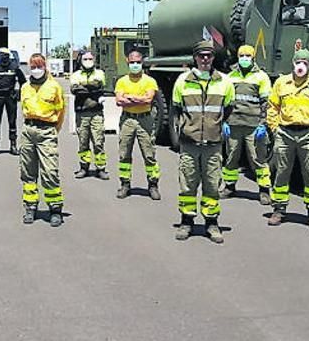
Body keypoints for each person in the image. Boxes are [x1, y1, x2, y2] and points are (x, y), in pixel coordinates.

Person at [171, 41, 234, 243]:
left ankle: (212, 223)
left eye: (209, 55)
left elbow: (228, 110)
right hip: (189, 144)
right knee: (187, 185)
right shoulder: (182, 81)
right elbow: (176, 110)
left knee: (212, 185)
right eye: (201, 56)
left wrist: (216, 127)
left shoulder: (225, 82)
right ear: (195, 58)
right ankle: (186, 222)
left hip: (213, 144)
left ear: (214, 58)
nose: (205, 59)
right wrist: (184, 132)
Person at [267, 48, 309, 231]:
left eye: (305, 62)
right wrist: (274, 128)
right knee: (281, 173)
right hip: (284, 134)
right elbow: (273, 106)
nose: (301, 65)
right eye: (298, 62)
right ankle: (278, 210)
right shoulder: (281, 83)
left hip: (308, 134)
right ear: (293, 63)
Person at [222, 44, 273, 204]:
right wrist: (224, 121)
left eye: (248, 56)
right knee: (231, 157)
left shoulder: (261, 77)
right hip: (234, 124)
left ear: (253, 58)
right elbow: (226, 102)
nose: (244, 59)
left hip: (254, 125)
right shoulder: (230, 77)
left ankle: (264, 190)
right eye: (242, 56)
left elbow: (266, 102)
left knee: (258, 158)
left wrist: (263, 124)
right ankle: (229, 187)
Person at [19, 54, 66, 226]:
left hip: (47, 130)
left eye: (39, 66)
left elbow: (61, 112)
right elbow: (23, 108)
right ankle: (30, 207)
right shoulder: (25, 87)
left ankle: (55, 209)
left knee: (50, 171)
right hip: (28, 130)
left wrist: (54, 131)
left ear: (45, 66)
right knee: (27, 172)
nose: (36, 69)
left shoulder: (54, 86)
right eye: (33, 66)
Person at [114, 50, 160, 200]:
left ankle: (153, 185)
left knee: (149, 154)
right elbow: (119, 101)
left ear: (142, 63)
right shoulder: (122, 81)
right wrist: (138, 98)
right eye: (132, 62)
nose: (135, 65)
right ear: (127, 61)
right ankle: (125, 184)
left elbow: (148, 100)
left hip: (145, 120)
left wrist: (130, 97)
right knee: (124, 153)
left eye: (138, 62)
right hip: (127, 120)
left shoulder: (149, 81)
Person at [70, 50, 107, 179]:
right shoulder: (75, 75)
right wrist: (91, 88)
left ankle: (101, 168)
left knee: (98, 141)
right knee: (83, 142)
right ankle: (83, 167)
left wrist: (85, 87)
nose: (88, 61)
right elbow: (75, 90)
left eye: (90, 59)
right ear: (80, 60)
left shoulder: (100, 73)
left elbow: (99, 86)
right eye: (85, 59)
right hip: (82, 113)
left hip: (97, 113)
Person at [0, 46, 25, 155]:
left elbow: (23, 82)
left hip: (10, 98)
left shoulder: (14, 67)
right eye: (2, 55)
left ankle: (13, 145)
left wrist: (19, 93)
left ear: (8, 56)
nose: (3, 58)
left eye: (5, 55)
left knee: (12, 122)